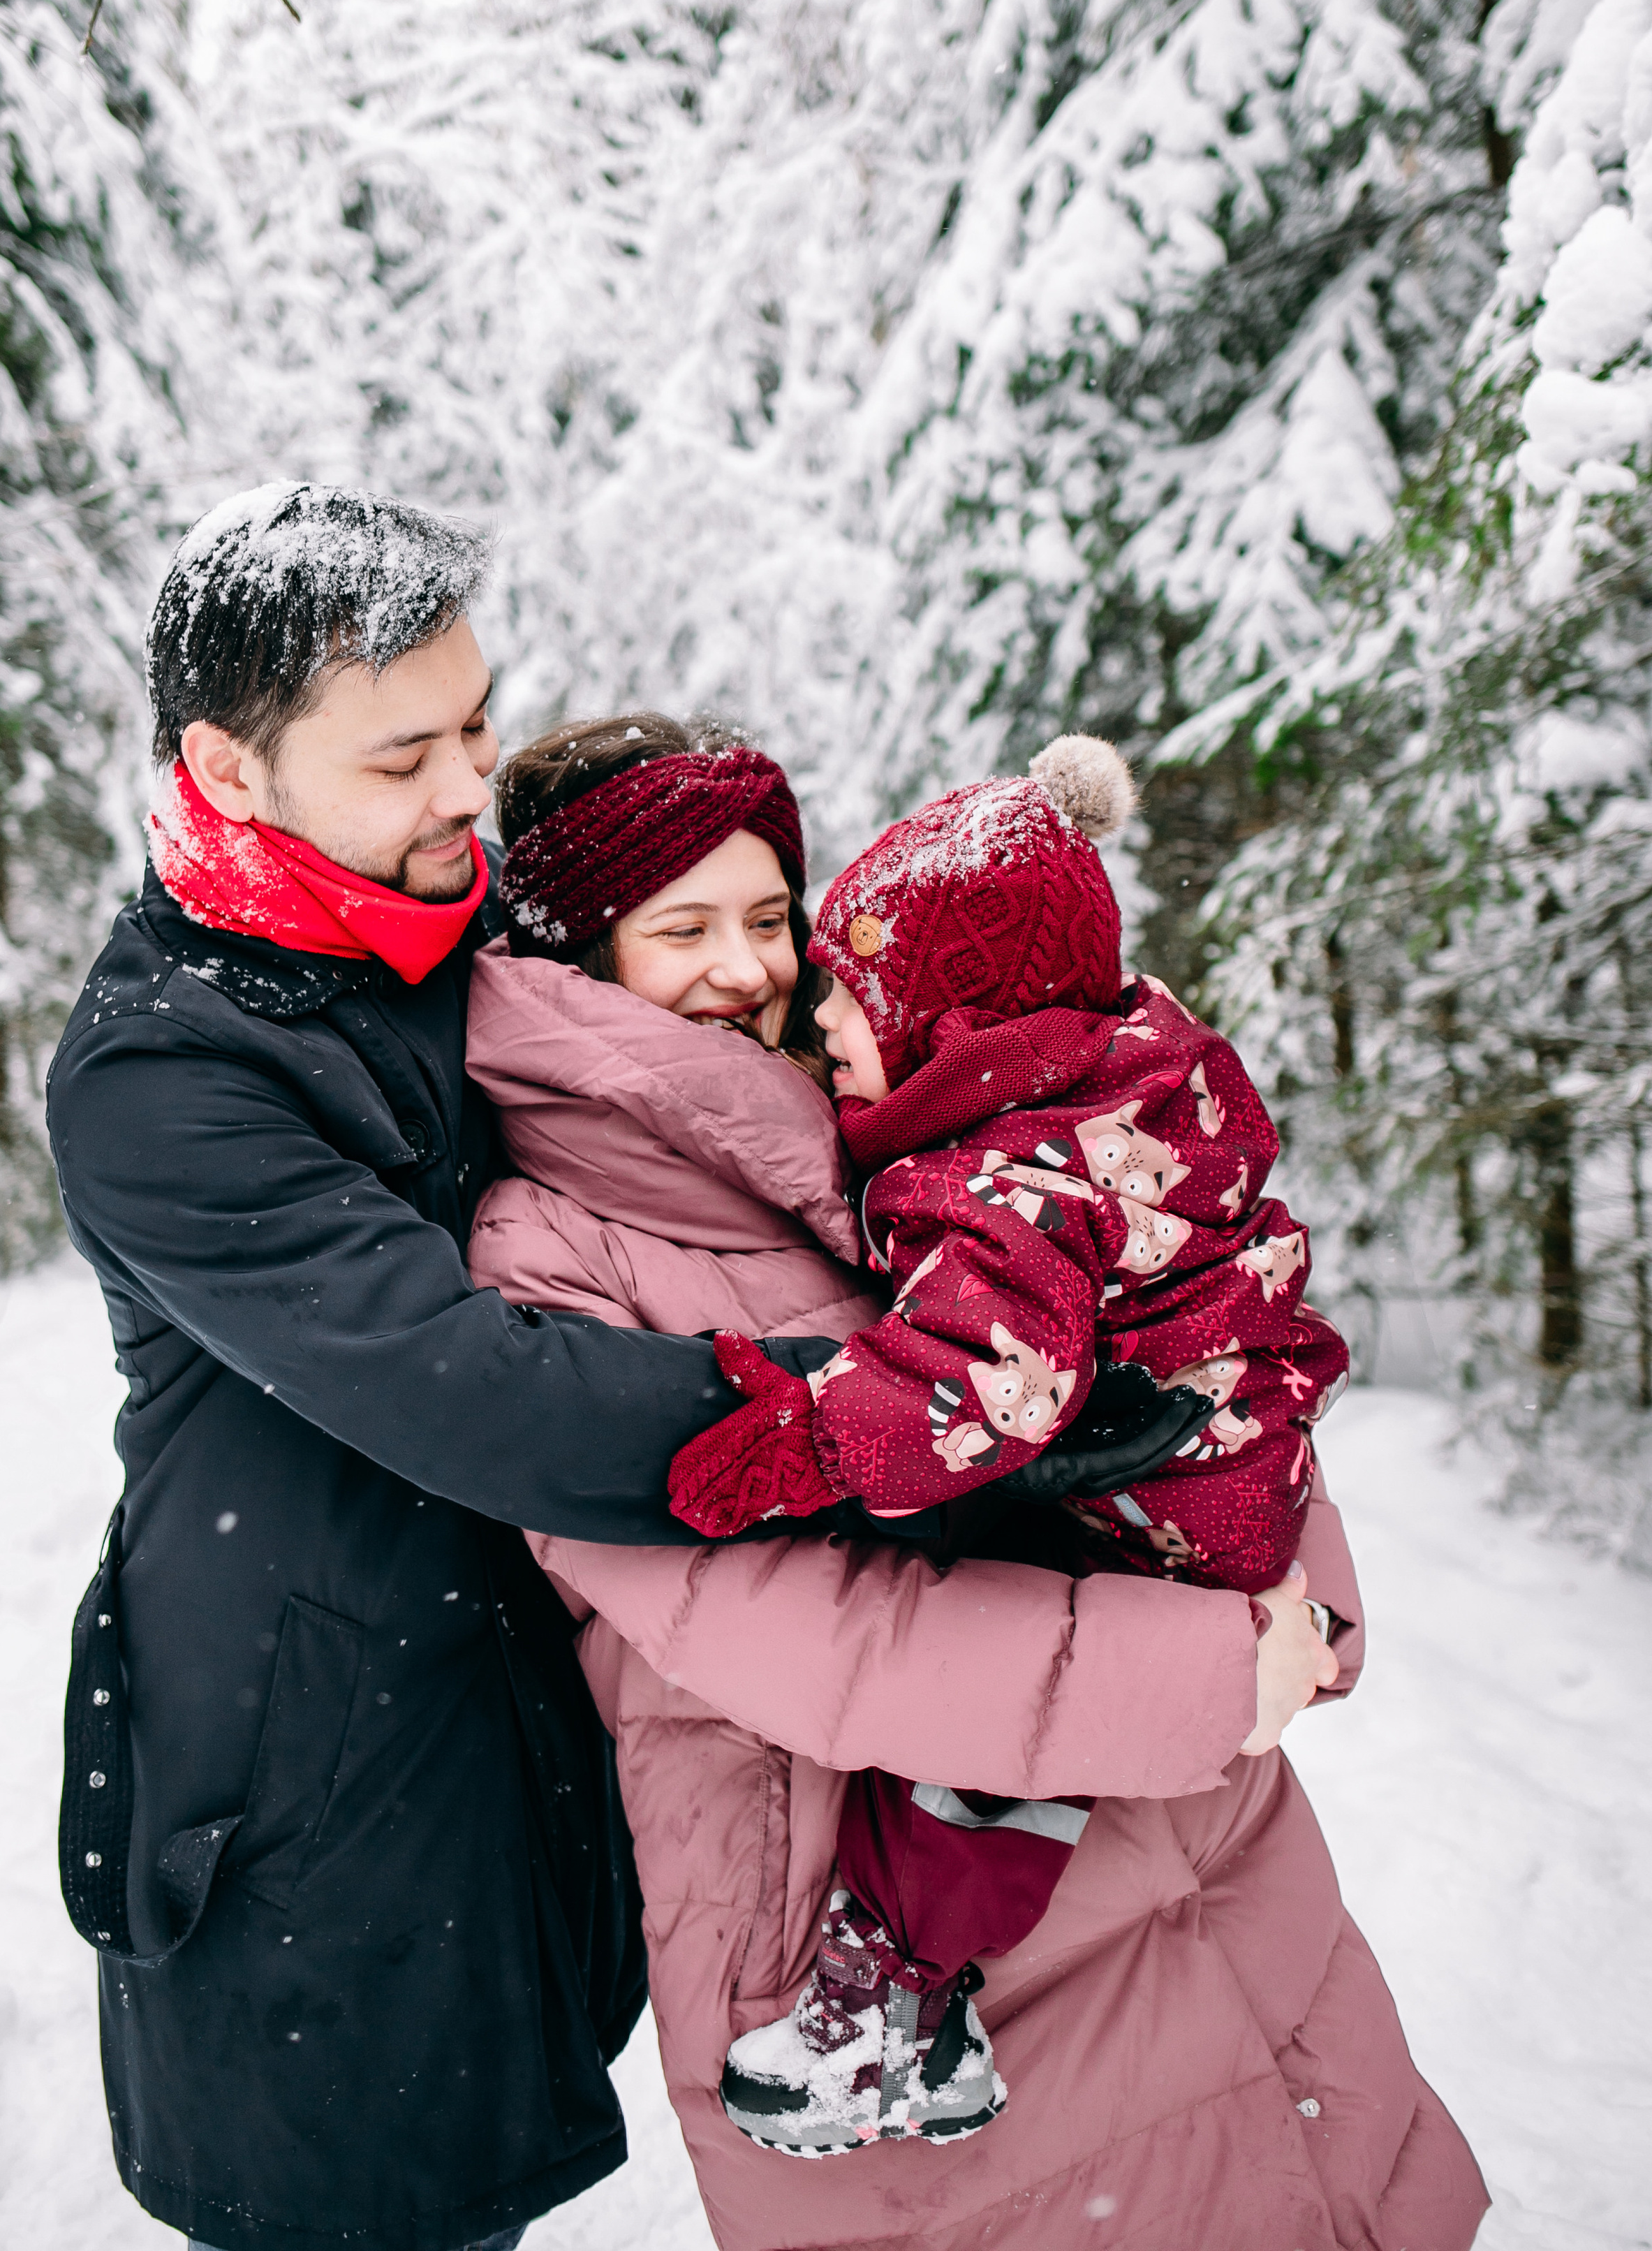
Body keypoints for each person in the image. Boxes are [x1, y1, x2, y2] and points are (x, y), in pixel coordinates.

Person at [466, 712, 1490, 2251]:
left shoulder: (921, 1107)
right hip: (880, 1957)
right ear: (572, 961)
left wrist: (1286, 1594)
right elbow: (779, 1626)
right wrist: (1207, 1670)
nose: (744, 970)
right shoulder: (549, 1254)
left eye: (764, 920)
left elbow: (1202, 1344)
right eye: (678, 929)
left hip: (1204, 1856)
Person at [45, 485, 868, 2251]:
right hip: (306, 1798)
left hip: (513, 1730)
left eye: (479, 726)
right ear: (232, 765)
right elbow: (473, 1386)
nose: (461, 788)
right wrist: (892, 1420)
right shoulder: (162, 1074)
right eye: (401, 753)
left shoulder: (467, 936)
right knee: (366, 2207)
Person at [670, 737, 1356, 2153]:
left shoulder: (998, 1169)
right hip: (1229, 1467)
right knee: (1021, 1739)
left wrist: (801, 1435)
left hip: (1158, 1511)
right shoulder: (1115, 1096)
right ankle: (927, 2026)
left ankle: (890, 2004)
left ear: (951, 1012)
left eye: (851, 999)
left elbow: (993, 1379)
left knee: (980, 1741)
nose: (822, 1021)